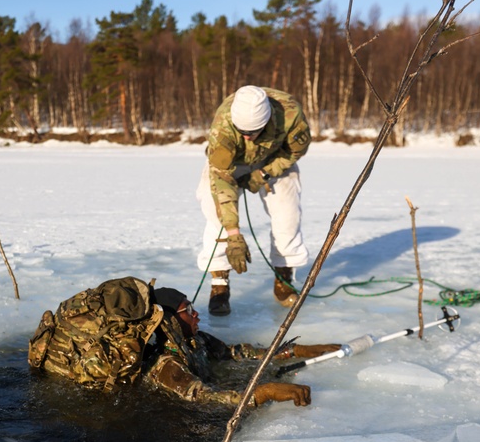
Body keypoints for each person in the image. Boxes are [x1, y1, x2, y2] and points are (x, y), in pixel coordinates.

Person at [196, 85, 314, 316]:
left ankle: (283, 276)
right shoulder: (223, 127)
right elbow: (221, 178)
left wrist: (264, 174)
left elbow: (296, 150)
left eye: (253, 131)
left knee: (287, 215)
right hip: (230, 165)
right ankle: (219, 282)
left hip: (273, 160)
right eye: (242, 131)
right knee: (214, 213)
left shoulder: (290, 113)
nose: (247, 137)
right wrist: (234, 234)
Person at [143, 287, 339, 408]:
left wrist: (295, 350)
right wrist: (264, 393)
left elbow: (233, 353)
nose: (196, 315)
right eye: (188, 311)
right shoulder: (166, 365)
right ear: (170, 321)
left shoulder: (195, 341)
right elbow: (204, 398)